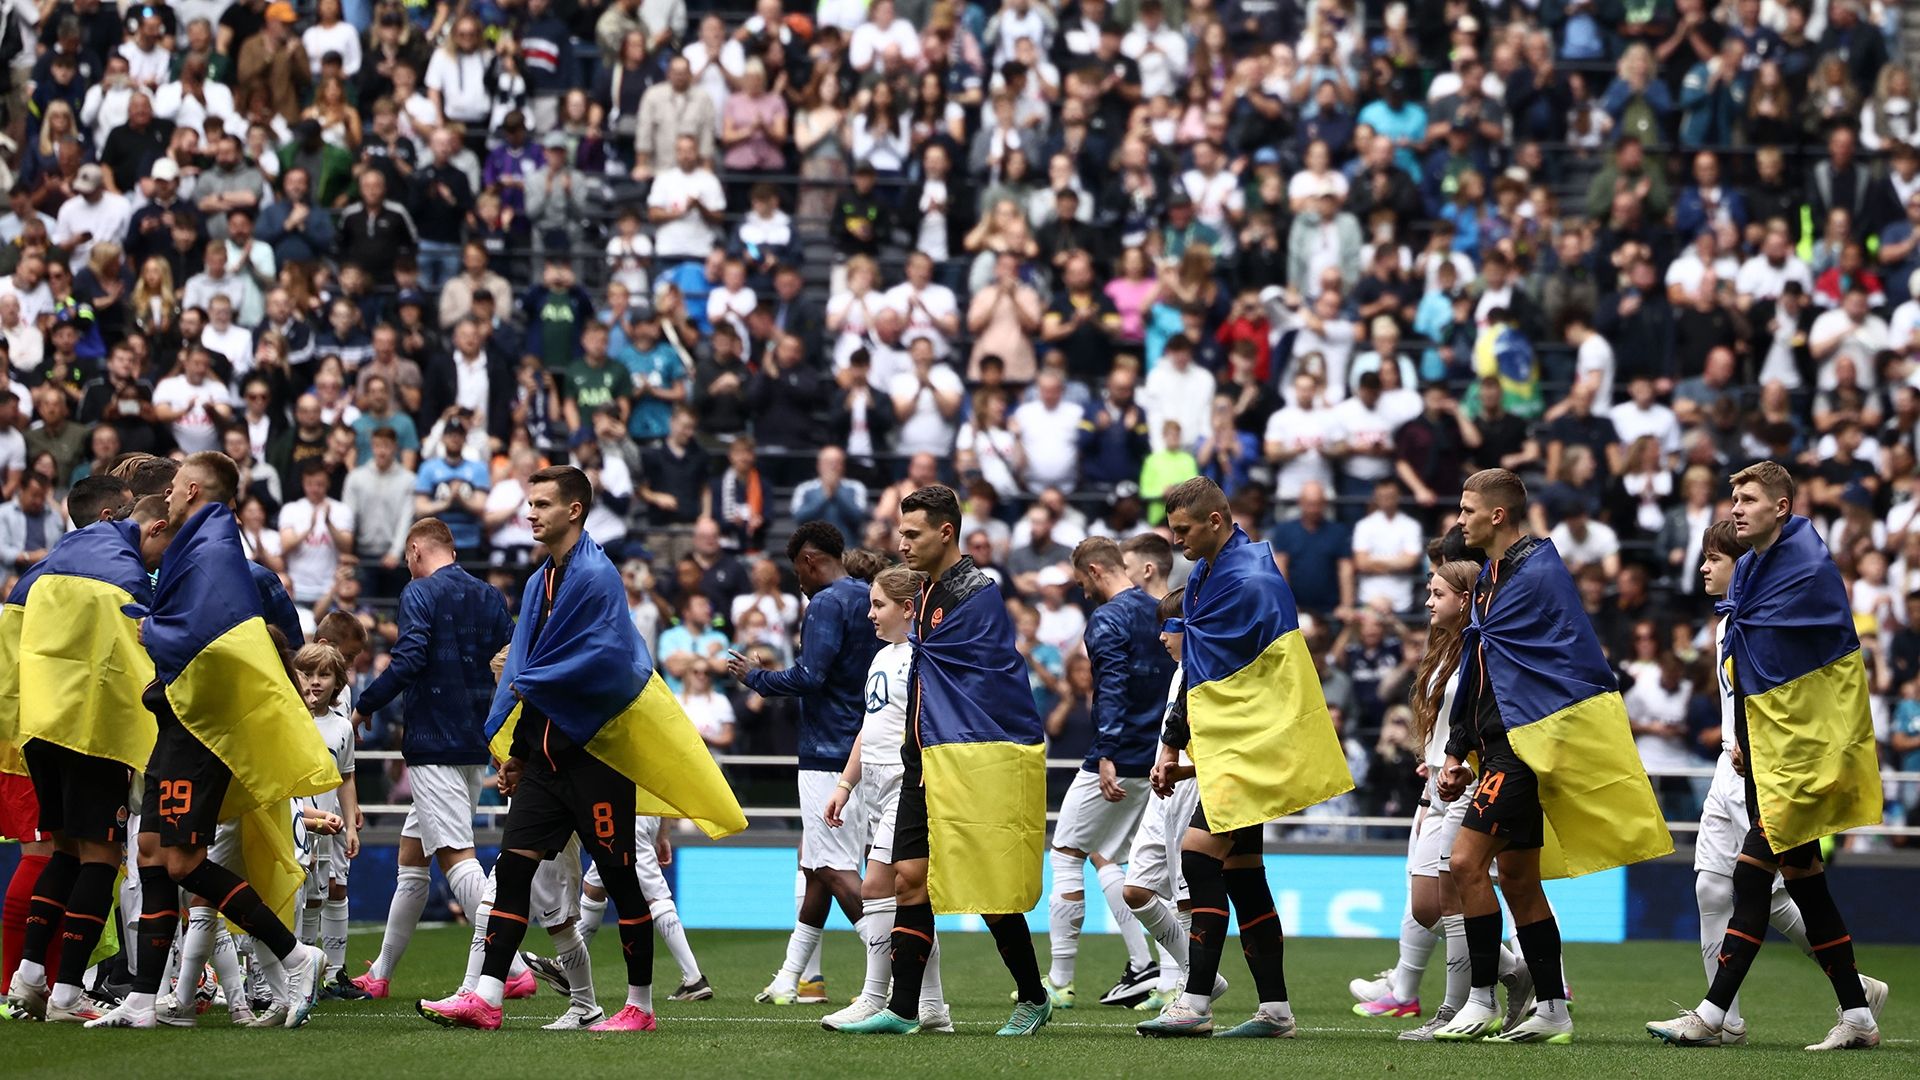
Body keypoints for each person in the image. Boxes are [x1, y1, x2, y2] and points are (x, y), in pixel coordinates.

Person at [415, 466, 744, 1032]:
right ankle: (487, 998)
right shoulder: (541, 578)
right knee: (513, 873)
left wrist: (530, 712)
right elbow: (530, 675)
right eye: (529, 503)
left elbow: (589, 668)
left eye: (542, 503)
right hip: (544, 762)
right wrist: (518, 751)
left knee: (619, 880)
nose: (530, 514)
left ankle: (639, 1007)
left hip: (596, 759)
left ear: (574, 510)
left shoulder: (596, 576)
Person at [80, 453, 337, 1029]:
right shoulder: (202, 545)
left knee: (181, 860)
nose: (167, 497)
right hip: (178, 717)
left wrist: (153, 631)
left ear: (192, 489)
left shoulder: (213, 550)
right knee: (149, 853)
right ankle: (145, 1001)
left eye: (173, 488)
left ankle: (296, 956)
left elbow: (210, 631)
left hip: (200, 728)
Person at [1647, 462, 1887, 1050]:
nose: (1736, 507)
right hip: (1761, 764)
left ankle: (1712, 1016)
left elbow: (1823, 672)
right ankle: (1858, 1015)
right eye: (1733, 497)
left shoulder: (1804, 568)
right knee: (1808, 893)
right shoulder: (1752, 574)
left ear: (1781, 507)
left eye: (1748, 499)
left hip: (1796, 764)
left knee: (1751, 885)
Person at [1433, 468, 1671, 1043]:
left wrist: (1489, 743)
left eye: (1467, 510)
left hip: (1523, 746)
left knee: (1466, 864)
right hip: (1497, 746)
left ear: (1496, 516)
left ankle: (1480, 1000)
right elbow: (1486, 666)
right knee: (1516, 879)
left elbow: (1569, 661)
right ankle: (1552, 1010)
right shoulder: (1492, 575)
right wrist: (1460, 747)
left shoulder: (1538, 573)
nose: (1458, 519)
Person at [1136, 477, 1352, 1039]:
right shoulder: (1214, 570)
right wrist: (1175, 744)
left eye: (1183, 529)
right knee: (1243, 875)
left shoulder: (1244, 579)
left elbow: (1214, 678)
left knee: (1199, 859)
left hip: (1251, 744)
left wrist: (1175, 742)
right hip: (1240, 742)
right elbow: (1204, 674)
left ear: (1215, 520)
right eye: (1171, 529)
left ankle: (1196, 1001)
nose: (1175, 539)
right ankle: (1275, 1011)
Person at [838, 485, 1050, 1036]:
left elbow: (984, 676)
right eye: (900, 532)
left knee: (985, 883)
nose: (901, 543)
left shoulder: (976, 593)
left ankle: (1033, 996)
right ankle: (904, 1010)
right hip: (922, 759)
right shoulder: (929, 593)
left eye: (912, 534)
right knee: (909, 879)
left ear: (945, 532)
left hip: (966, 757)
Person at [1350, 555, 1534, 1039]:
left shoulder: (1483, 647)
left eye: (1438, 595)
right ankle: (1514, 970)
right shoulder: (1445, 647)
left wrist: (1456, 761)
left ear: (1467, 598)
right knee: (1428, 904)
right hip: (1439, 780)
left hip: (1469, 780)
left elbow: (1482, 717)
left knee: (1451, 897)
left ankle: (1457, 1009)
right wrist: (1431, 761)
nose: (1429, 602)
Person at [2, 478, 149, 1024]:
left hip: (39, 729)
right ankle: (67, 993)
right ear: (112, 516)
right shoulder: (119, 572)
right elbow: (131, 654)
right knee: (101, 858)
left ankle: (31, 976)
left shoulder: (40, 572)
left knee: (61, 852)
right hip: (92, 729)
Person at [348, 518, 513, 998]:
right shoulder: (490, 596)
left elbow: (409, 658)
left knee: (456, 857)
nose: (406, 565)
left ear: (417, 550)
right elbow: (511, 663)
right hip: (474, 740)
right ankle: (380, 973)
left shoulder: (418, 592)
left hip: (433, 741)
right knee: (412, 857)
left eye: (406, 557)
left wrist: (365, 706)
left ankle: (513, 966)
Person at [728, 521, 883, 1006]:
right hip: (865, 747)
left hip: (826, 753)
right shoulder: (869, 598)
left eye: (799, 570)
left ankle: (897, 966)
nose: (799, 582)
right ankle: (792, 977)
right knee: (815, 867)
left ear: (811, 560)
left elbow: (811, 676)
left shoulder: (826, 603)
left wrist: (757, 678)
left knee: (836, 869)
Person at [1041, 537, 1178, 1009]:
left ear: (1097, 570)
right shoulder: (1161, 610)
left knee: (1065, 853)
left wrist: (1104, 753)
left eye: (1082, 582)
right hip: (1161, 757)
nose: (1083, 592)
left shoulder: (1108, 618)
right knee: (1129, 864)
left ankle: (1059, 981)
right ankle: (1164, 977)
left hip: (1120, 756)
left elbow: (1112, 688)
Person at [820, 564, 952, 1032]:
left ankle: (876, 998)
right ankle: (932, 1006)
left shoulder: (923, 656)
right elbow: (870, 727)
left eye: (879, 605)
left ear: (909, 609)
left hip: (906, 784)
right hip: (875, 788)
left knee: (878, 888)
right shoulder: (881, 657)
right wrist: (845, 784)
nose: (870, 614)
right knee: (910, 898)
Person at [290, 642, 359, 990]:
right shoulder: (285, 719)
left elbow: (346, 776)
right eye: (306, 673)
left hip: (327, 826)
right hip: (292, 825)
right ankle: (281, 970)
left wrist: (350, 824)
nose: (314, 682)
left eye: (324, 674)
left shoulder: (341, 727)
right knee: (289, 896)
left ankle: (323, 973)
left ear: (338, 682)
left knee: (318, 895)